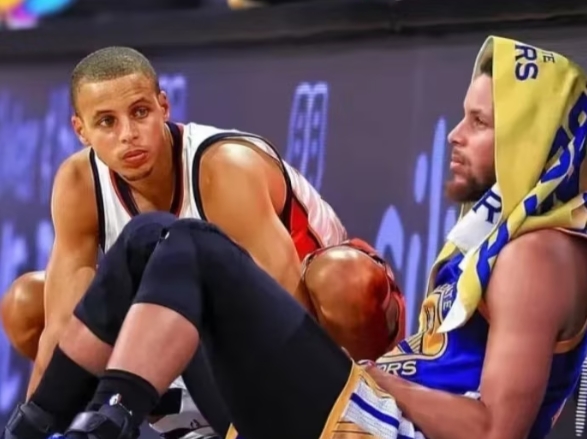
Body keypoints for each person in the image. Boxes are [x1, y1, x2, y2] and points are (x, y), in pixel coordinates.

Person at [7, 35, 587, 439]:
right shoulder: (500, 235)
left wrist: (375, 380)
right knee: (147, 236)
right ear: (81, 130)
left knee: (189, 246)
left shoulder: (536, 258)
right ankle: (38, 428)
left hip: (365, 412)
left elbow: (495, 431)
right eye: (463, 116)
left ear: (527, 139)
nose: (455, 135)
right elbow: (60, 321)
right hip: (350, 401)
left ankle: (111, 417)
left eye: (479, 123)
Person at [0, 47, 404, 439]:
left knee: (341, 278)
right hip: (198, 339)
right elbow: (61, 332)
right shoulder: (78, 183)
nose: (129, 135)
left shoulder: (224, 168)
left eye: (140, 112)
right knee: (28, 302)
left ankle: (362, 416)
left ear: (163, 107)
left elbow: (288, 316)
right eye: (107, 122)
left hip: (317, 335)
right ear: (81, 131)